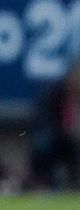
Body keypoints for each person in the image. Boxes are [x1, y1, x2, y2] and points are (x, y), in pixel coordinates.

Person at [24, 63, 80, 191]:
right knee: (42, 143)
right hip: (57, 138)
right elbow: (41, 121)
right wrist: (65, 132)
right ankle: (47, 182)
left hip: (76, 141)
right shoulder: (52, 93)